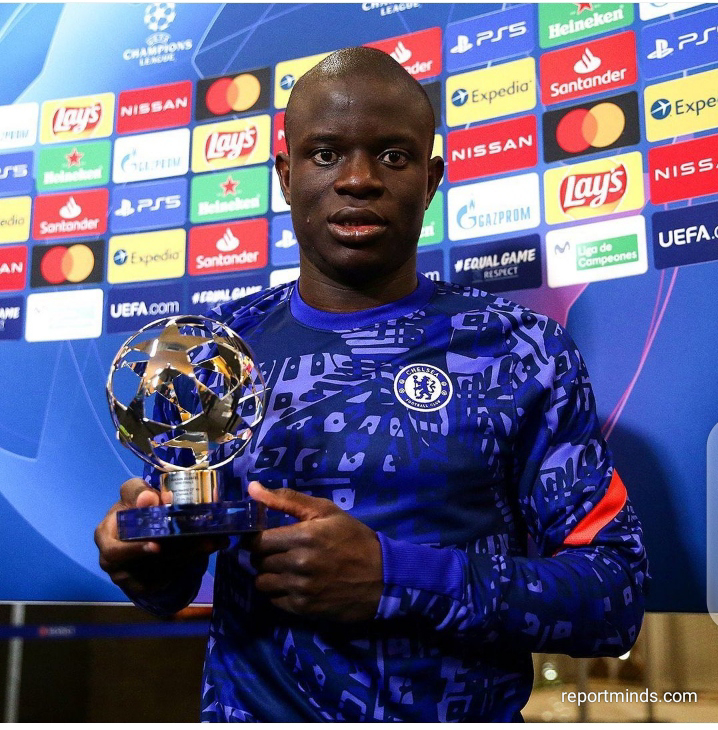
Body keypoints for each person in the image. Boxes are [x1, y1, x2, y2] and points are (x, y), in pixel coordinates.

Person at [95, 47, 648, 722]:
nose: (358, 180)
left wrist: (395, 577)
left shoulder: (521, 350)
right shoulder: (217, 353)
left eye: (392, 155)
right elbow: (170, 582)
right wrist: (149, 563)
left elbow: (614, 596)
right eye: (326, 154)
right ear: (286, 175)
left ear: (431, 179)